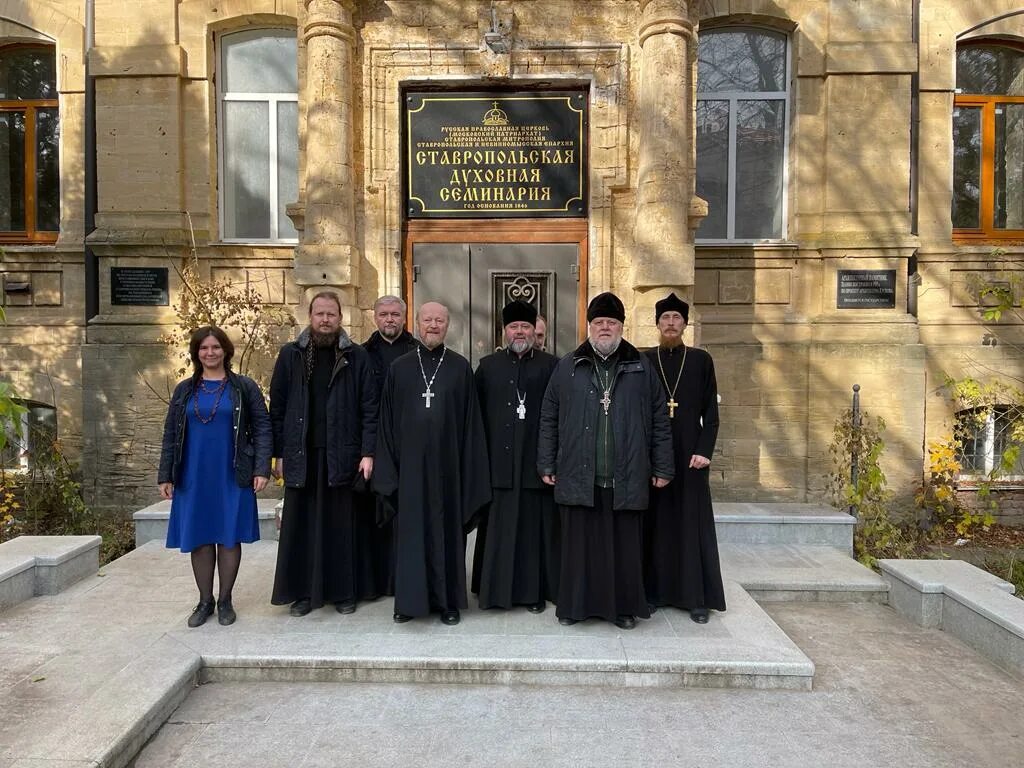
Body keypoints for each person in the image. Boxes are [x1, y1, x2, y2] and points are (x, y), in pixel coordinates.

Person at [538, 291, 673, 630]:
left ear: (621, 327)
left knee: (623, 550)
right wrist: (546, 463)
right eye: (599, 322)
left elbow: (659, 419)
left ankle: (623, 609)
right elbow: (549, 417)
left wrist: (663, 467)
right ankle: (574, 607)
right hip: (578, 472)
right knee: (579, 548)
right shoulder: (567, 366)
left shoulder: (642, 367)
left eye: (611, 322)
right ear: (589, 326)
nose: (604, 328)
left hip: (625, 473)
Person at [374, 301, 491, 625]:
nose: (434, 325)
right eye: (428, 320)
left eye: (440, 320)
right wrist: (389, 472)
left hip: (448, 471)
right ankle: (408, 603)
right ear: (418, 323)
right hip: (409, 470)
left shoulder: (459, 368)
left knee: (446, 534)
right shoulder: (399, 368)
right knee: (411, 536)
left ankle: (448, 602)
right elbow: (386, 424)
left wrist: (471, 474)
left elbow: (471, 426)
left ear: (447, 325)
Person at [269, 291, 380, 616]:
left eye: (331, 314)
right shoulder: (291, 355)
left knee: (341, 528)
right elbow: (277, 408)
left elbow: (369, 408)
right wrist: (279, 454)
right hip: (302, 455)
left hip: (342, 456)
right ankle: (304, 593)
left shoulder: (356, 357)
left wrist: (367, 452)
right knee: (303, 528)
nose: (325, 320)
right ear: (311, 316)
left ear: (340, 318)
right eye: (320, 314)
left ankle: (344, 593)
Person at [158, 326, 271, 628]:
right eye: (204, 348)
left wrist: (262, 469)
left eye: (216, 347)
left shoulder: (243, 388)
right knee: (200, 536)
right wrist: (165, 474)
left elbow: (262, 428)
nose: (210, 353)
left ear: (225, 351)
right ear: (196, 353)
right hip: (194, 473)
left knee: (229, 535)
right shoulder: (185, 390)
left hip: (232, 472)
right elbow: (171, 433)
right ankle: (204, 600)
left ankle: (225, 600)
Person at [472, 300, 559, 612]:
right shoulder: (488, 366)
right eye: (513, 327)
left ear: (534, 332)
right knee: (498, 530)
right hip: (498, 465)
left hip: (535, 465)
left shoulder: (552, 366)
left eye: (525, 326)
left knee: (531, 534)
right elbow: (475, 418)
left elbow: (561, 415)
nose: (519, 331)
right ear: (504, 331)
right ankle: (493, 593)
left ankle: (531, 595)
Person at [643, 292, 725, 623]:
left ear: (685, 324)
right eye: (666, 318)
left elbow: (712, 412)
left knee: (691, 526)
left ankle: (695, 598)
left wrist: (704, 451)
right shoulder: (645, 360)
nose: (671, 323)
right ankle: (654, 593)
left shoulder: (701, 360)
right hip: (655, 457)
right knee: (656, 526)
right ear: (658, 324)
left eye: (677, 318)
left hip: (691, 457)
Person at [360, 295, 418, 595]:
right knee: (374, 515)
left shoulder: (418, 353)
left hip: (408, 446)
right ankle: (375, 582)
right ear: (375, 317)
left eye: (396, 314)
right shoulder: (360, 354)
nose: (390, 319)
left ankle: (401, 579)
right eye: (384, 314)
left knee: (403, 514)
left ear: (405, 318)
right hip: (372, 446)